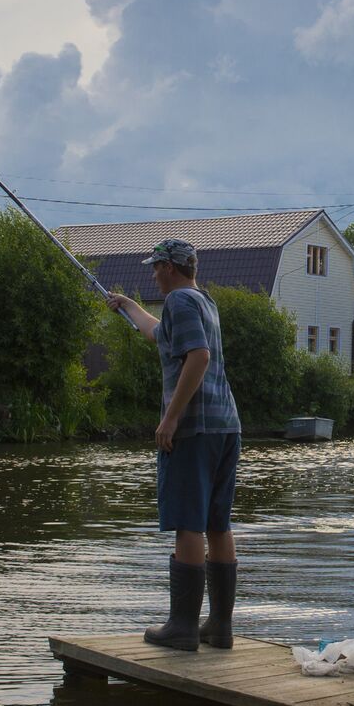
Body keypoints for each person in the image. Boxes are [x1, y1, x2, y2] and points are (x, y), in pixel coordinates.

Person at [105, 239, 242, 652]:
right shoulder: (203, 301)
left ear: (169, 267)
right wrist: (127, 305)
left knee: (188, 522)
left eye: (155, 267)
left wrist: (170, 417)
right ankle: (218, 629)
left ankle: (181, 628)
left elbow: (197, 357)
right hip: (225, 427)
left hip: (194, 431)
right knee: (218, 524)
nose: (152, 274)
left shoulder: (180, 302)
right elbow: (157, 333)